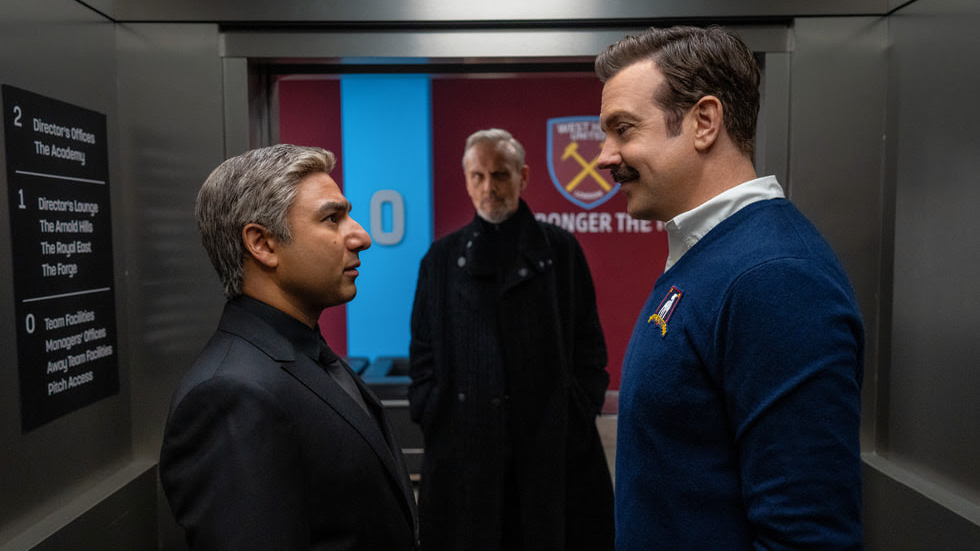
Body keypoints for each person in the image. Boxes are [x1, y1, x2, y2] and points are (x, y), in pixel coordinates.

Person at [595, 26, 864, 550]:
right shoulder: (713, 254)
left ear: (704, 122)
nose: (606, 156)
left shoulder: (776, 277)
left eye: (623, 129)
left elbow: (807, 535)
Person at [159, 144, 419, 551]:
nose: (361, 236)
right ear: (262, 244)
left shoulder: (302, 354)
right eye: (332, 219)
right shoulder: (229, 394)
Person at [408, 128, 614, 551]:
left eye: (500, 175)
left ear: (523, 177)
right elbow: (423, 350)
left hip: (550, 448)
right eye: (478, 176)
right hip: (464, 449)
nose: (489, 188)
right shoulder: (442, 259)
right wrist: (431, 410)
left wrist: (576, 412)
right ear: (466, 181)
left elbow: (588, 346)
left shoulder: (560, 250)